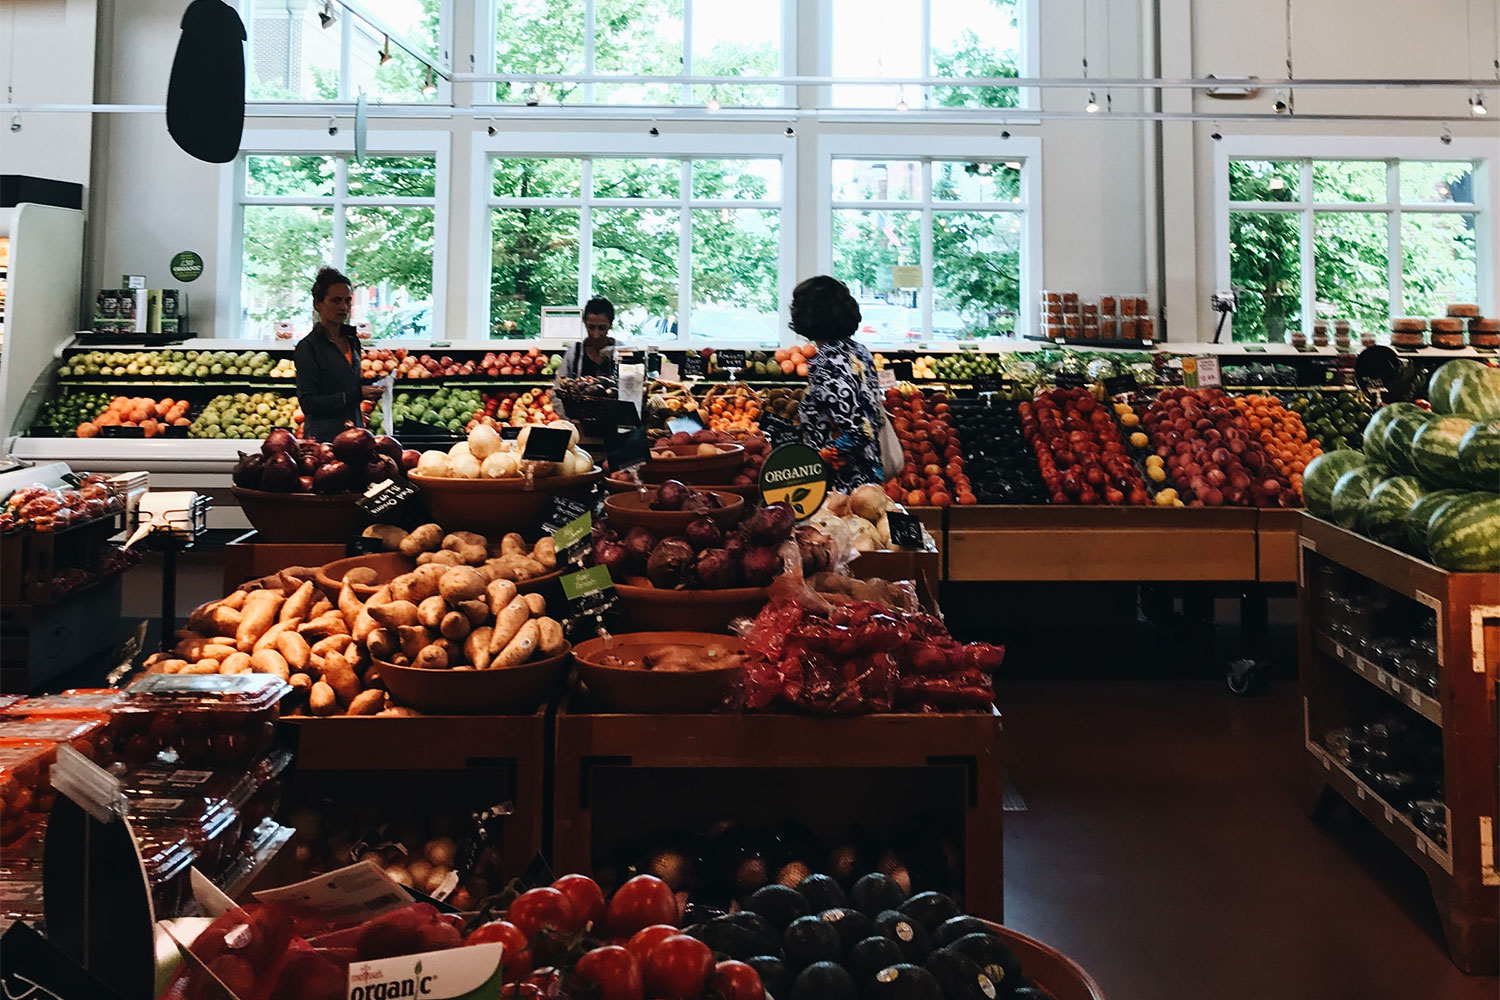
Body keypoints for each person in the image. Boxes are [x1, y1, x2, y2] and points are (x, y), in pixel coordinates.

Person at [792, 275, 885, 490]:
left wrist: (820, 456)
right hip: (868, 475)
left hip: (841, 485)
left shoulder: (826, 364)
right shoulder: (859, 352)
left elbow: (856, 431)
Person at [294, 266, 383, 441]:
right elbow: (309, 404)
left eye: (348, 300)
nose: (343, 307)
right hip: (324, 440)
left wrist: (374, 384)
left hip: (355, 435)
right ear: (318, 304)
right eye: (335, 300)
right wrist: (358, 394)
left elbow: (345, 383)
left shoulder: (352, 340)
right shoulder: (308, 348)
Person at [557, 296, 617, 379]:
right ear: (584, 323)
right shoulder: (574, 353)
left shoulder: (622, 352)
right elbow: (559, 387)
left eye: (602, 328)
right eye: (591, 327)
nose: (596, 335)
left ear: (611, 324)